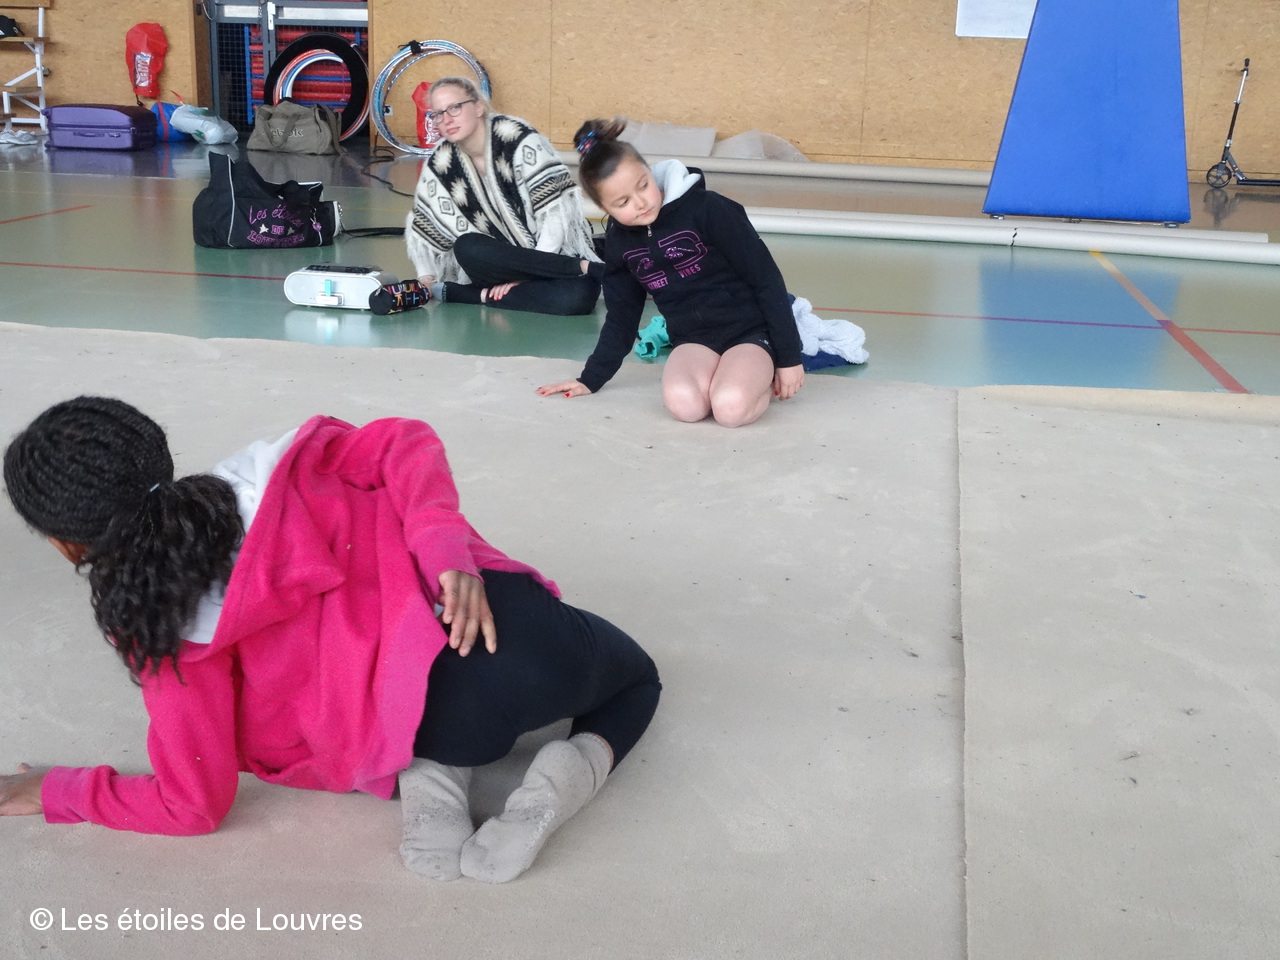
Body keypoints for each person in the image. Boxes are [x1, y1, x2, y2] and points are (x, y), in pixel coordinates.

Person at [0, 397, 660, 884]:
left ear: (64, 544)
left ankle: (433, 782)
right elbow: (403, 440)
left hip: (430, 725)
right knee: (637, 680)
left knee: (384, 715)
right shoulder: (272, 474)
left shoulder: (162, 631)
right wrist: (443, 550)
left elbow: (192, 804)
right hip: (509, 622)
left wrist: (61, 789)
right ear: (159, 456)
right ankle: (571, 775)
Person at [536, 118, 806, 428]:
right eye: (623, 202)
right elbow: (622, 316)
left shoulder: (710, 209)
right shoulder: (620, 243)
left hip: (750, 333)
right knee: (684, 406)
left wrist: (789, 358)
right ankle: (726, 376)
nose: (640, 203)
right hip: (693, 340)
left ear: (650, 172)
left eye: (643, 185)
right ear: (604, 208)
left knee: (730, 408)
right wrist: (591, 378)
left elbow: (766, 280)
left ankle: (760, 379)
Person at [405, 76, 603, 316]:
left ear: (478, 107)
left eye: (455, 108)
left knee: (579, 297)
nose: (446, 120)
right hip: (495, 265)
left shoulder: (518, 139)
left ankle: (476, 296)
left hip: (552, 257)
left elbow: (554, 218)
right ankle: (583, 267)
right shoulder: (441, 162)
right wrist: (426, 280)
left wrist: (527, 276)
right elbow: (423, 228)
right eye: (437, 114)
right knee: (468, 247)